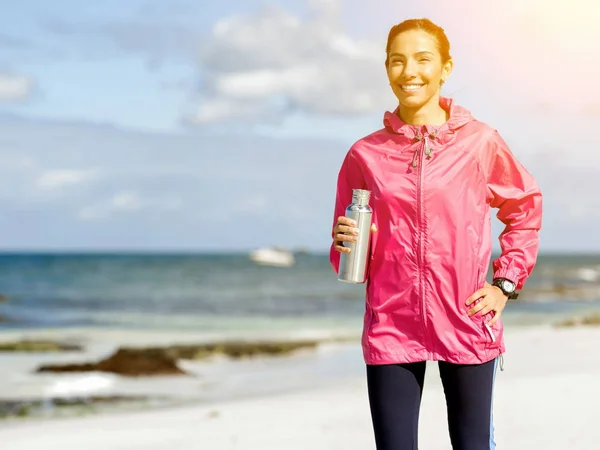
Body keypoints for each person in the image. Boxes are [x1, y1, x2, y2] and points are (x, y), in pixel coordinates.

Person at [329, 18, 542, 450]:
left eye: (423, 59)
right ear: (386, 69)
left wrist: (504, 283)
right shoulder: (364, 154)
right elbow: (345, 255)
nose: (410, 71)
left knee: (472, 445)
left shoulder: (480, 142)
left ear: (445, 68)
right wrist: (344, 242)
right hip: (391, 321)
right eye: (397, 61)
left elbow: (524, 208)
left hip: (465, 316)